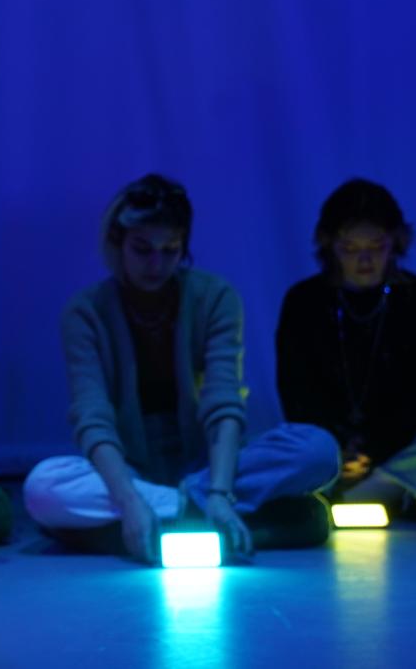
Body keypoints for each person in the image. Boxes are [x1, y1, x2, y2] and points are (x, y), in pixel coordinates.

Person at [23, 174, 339, 563]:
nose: (156, 264)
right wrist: (130, 499)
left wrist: (219, 492)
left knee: (318, 450)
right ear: (118, 243)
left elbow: (223, 403)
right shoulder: (86, 312)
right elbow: (93, 419)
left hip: (205, 466)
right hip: (131, 471)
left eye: (170, 250)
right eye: (142, 249)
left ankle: (166, 518)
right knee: (43, 486)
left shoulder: (215, 297)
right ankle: (202, 515)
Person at [276, 179, 416, 519]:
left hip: (398, 450)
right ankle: (384, 495)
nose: (365, 259)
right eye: (350, 248)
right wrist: (340, 448)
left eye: (377, 246)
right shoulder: (304, 301)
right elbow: (295, 391)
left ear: (395, 242)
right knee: (293, 448)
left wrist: (376, 449)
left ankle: (357, 497)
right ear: (330, 246)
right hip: (326, 450)